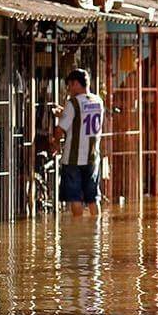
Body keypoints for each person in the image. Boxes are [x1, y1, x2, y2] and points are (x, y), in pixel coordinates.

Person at [52, 68, 105, 218]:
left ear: (76, 84)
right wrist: (65, 113)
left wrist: (55, 143)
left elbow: (60, 129)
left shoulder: (73, 103)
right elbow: (82, 117)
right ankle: (96, 232)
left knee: (75, 198)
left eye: (69, 85)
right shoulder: (98, 101)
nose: (68, 89)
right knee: (93, 198)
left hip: (73, 159)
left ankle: (78, 232)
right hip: (92, 158)